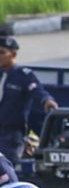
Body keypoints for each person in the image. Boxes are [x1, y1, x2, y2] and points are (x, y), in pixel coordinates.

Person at [0, 34, 59, 178]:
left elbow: (38, 90)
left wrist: (47, 100)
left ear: (13, 54)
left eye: (1, 52)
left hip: (11, 134)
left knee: (6, 170)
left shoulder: (23, 75)